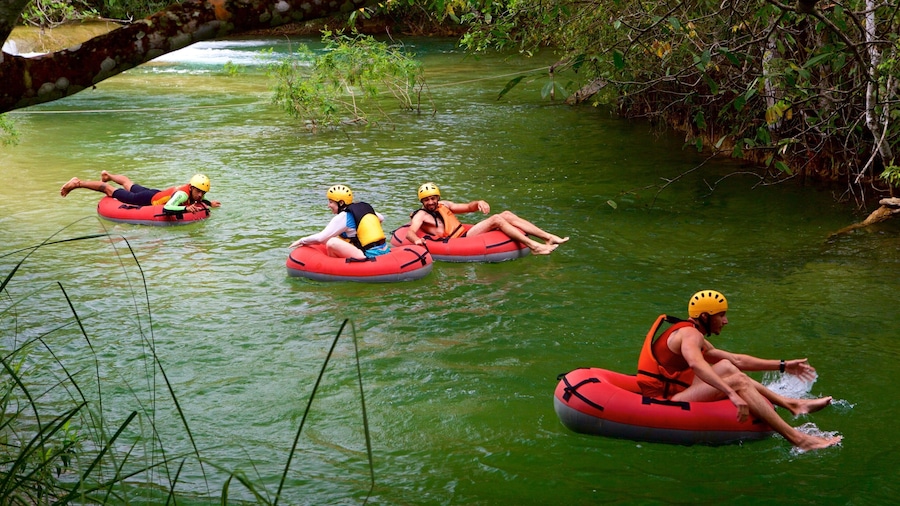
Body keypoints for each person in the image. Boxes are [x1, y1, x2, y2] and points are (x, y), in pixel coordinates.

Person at [636, 290, 842, 451]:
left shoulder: (690, 332)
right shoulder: (690, 335)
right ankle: (799, 439)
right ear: (706, 316)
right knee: (737, 382)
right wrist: (731, 394)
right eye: (721, 315)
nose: (725, 321)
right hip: (663, 401)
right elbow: (696, 364)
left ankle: (793, 404)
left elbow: (736, 360)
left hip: (672, 391)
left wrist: (783, 365)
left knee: (727, 367)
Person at [404, 182, 569, 255]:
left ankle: (548, 237)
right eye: (427, 200)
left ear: (437, 197)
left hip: (463, 234)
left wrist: (479, 203)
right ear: (422, 201)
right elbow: (410, 232)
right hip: (458, 240)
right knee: (497, 219)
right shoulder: (421, 214)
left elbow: (469, 207)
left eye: (433, 198)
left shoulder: (444, 205)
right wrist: (416, 241)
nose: (431, 202)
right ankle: (534, 246)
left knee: (506, 214)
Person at [289, 185, 390, 259]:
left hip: (369, 254)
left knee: (331, 241)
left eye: (331, 202)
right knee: (341, 238)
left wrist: (301, 240)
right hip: (384, 250)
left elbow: (320, 238)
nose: (328, 205)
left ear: (341, 203)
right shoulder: (363, 208)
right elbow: (380, 218)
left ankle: (335, 265)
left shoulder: (343, 216)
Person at [60, 171, 221, 213]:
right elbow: (168, 208)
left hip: (155, 194)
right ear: (191, 187)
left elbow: (198, 201)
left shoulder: (194, 193)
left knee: (128, 183)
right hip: (147, 199)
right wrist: (185, 209)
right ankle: (77, 183)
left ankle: (107, 175)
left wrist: (209, 203)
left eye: (203, 193)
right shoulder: (183, 195)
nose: (200, 195)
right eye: (198, 191)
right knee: (109, 190)